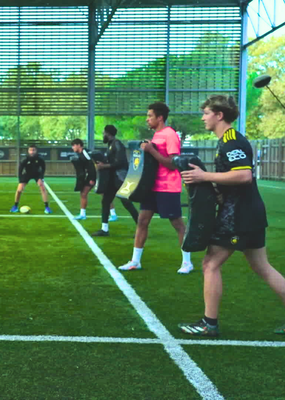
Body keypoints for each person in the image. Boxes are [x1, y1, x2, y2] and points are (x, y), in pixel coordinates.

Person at [178, 95, 285, 336]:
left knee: (210, 263)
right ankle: (209, 323)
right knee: (262, 267)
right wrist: (216, 191)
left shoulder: (231, 141)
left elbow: (244, 175)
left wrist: (205, 177)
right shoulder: (227, 141)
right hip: (247, 213)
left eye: (206, 113)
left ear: (219, 115)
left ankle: (209, 324)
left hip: (239, 217)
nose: (203, 117)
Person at [118, 102, 193, 274]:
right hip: (151, 187)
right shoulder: (156, 135)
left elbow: (174, 164)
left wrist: (151, 150)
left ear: (160, 117)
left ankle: (187, 262)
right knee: (142, 221)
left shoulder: (170, 135)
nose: (147, 119)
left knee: (178, 225)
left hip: (168, 187)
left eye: (150, 116)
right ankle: (135, 261)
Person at [92, 125, 139, 236]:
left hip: (120, 179)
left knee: (127, 203)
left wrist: (104, 166)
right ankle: (104, 229)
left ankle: (141, 228)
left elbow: (121, 162)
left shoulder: (117, 144)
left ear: (108, 133)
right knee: (105, 202)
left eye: (104, 133)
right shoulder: (111, 145)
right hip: (113, 179)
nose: (103, 135)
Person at [10, 144, 52, 214]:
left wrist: (41, 178)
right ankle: (15, 206)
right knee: (19, 190)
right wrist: (20, 181)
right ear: (28, 151)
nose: (32, 152)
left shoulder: (40, 159)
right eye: (30, 150)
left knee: (42, 187)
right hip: (27, 174)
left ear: (36, 151)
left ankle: (47, 207)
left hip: (37, 174)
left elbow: (43, 169)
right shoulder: (25, 159)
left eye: (33, 150)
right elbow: (20, 170)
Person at [70, 139, 96, 220]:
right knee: (83, 193)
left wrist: (92, 178)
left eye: (73, 145)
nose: (72, 148)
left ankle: (113, 214)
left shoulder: (85, 153)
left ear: (78, 145)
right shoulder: (80, 154)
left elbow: (92, 165)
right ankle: (82, 214)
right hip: (90, 176)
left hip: (95, 176)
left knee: (104, 195)